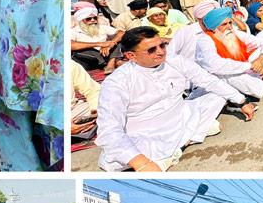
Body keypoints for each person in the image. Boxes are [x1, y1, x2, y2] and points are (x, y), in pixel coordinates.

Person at [96, 26, 252, 172]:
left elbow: (206, 79)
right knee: (115, 158)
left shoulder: (173, 60)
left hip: (182, 115)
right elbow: (109, 129)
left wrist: (241, 101)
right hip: (148, 134)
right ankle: (184, 142)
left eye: (162, 45)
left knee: (216, 94)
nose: (160, 52)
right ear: (131, 56)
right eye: (151, 50)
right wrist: (141, 163)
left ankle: (176, 148)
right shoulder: (116, 82)